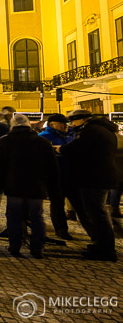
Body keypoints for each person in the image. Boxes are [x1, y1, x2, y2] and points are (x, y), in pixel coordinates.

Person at [0, 114, 59, 258]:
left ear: (12, 126)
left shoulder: (5, 141)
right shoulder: (42, 142)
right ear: (29, 126)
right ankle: (38, 248)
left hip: (14, 185)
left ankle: (14, 246)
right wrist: (53, 188)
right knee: (37, 217)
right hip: (36, 185)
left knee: (14, 216)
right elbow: (52, 168)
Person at [61, 109, 119, 262]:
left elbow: (76, 149)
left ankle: (105, 249)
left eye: (72, 121)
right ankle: (102, 244)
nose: (71, 124)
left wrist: (60, 148)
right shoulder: (103, 130)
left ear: (81, 120)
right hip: (101, 176)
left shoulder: (91, 131)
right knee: (98, 212)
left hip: (94, 178)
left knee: (97, 214)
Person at [38, 113, 73, 239]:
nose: (65, 125)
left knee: (79, 204)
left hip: (71, 175)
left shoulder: (70, 135)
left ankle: (94, 232)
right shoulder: (43, 137)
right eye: (62, 123)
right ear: (52, 124)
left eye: (66, 123)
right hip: (54, 176)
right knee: (57, 204)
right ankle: (61, 230)